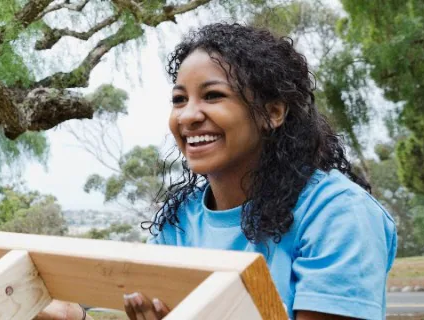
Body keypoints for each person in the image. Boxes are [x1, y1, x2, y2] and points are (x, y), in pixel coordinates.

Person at [123, 23, 397, 320]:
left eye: (213, 95)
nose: (188, 115)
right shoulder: (177, 222)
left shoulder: (337, 213)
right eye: (179, 99)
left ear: (272, 113)